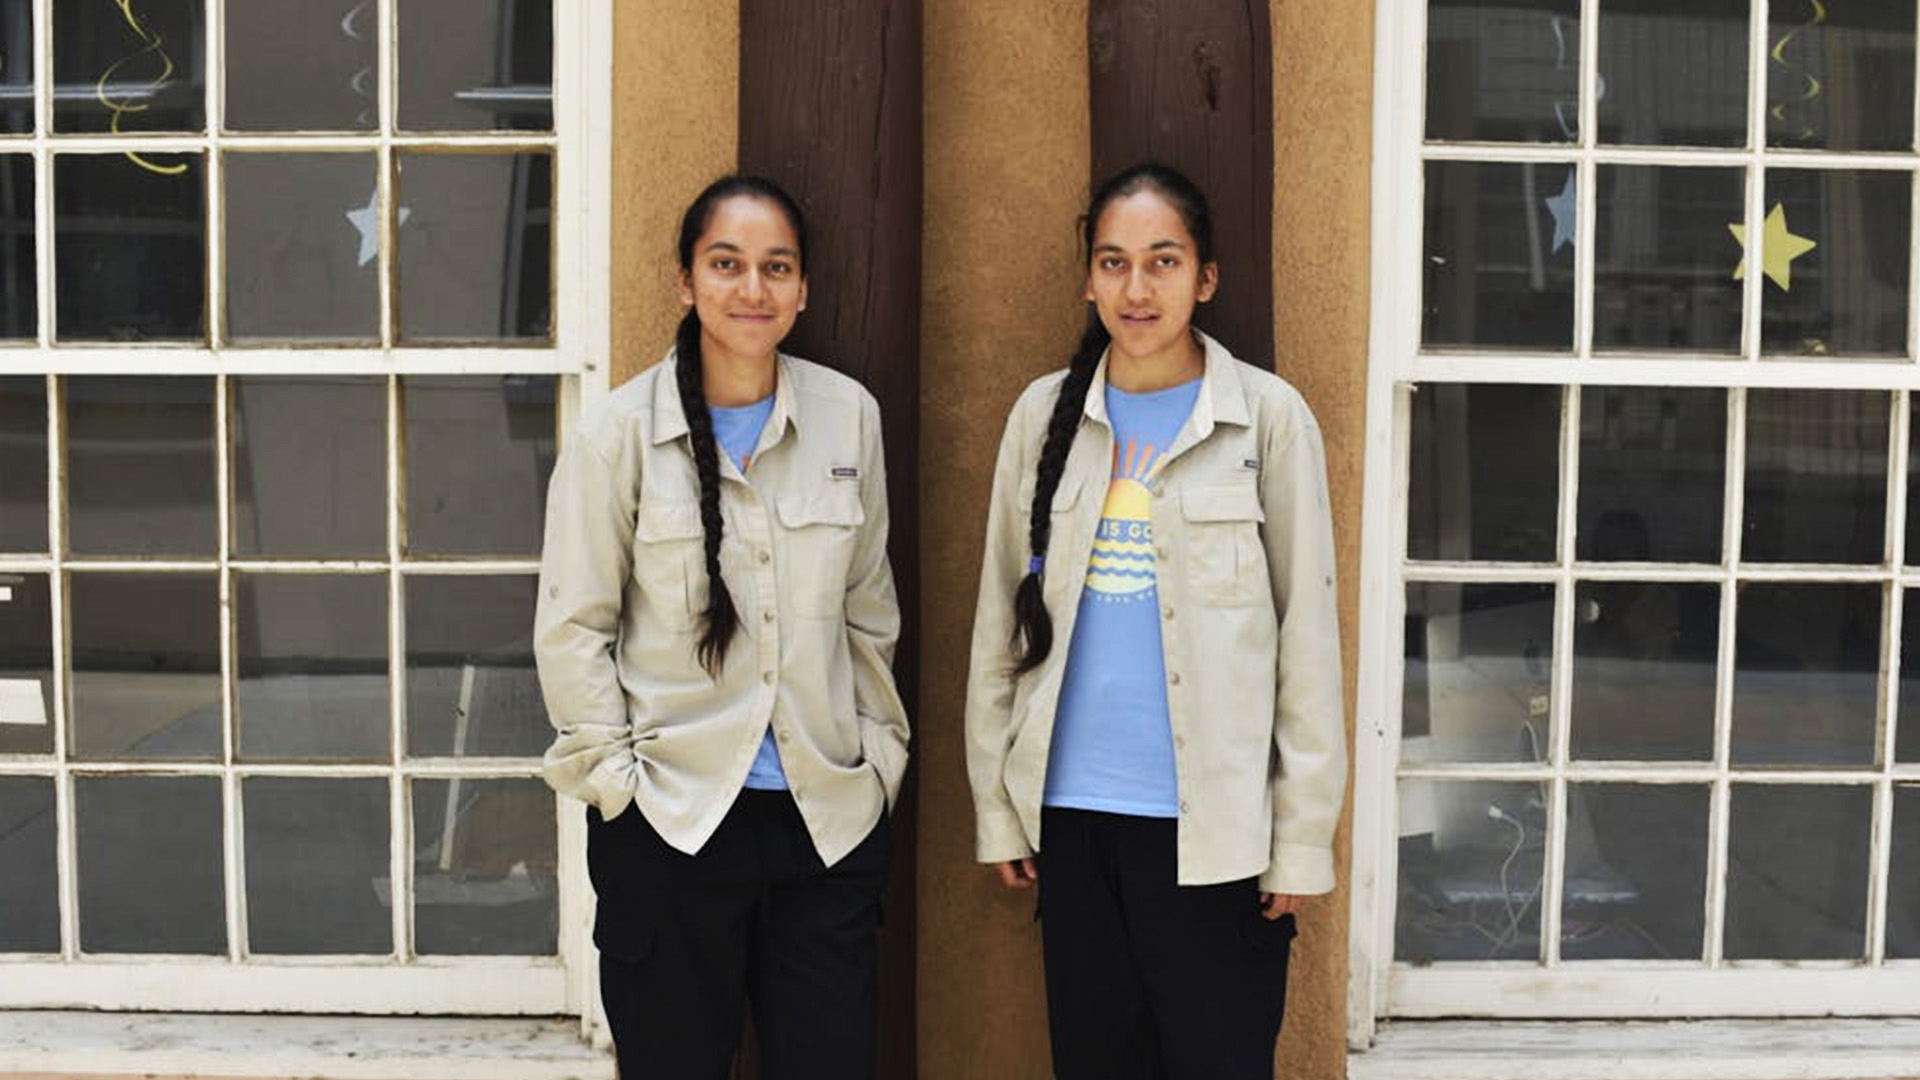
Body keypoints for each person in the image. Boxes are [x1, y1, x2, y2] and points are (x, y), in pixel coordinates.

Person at [964, 162, 1346, 1080]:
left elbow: (1309, 641)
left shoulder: (1267, 420)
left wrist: (1299, 837)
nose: (1138, 289)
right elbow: (997, 629)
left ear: (1204, 278)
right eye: (1115, 262)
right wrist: (999, 811)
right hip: (1075, 819)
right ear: (1090, 276)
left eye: (1164, 261)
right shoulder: (1039, 418)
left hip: (1214, 833)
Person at [535, 175, 907, 1079]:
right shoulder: (617, 434)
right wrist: (620, 786)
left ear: (804, 288)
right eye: (727, 264)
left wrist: (879, 758)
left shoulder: (848, 416)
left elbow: (868, 610)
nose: (753, 289)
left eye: (776, 267)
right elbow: (573, 625)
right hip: (670, 817)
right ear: (685, 281)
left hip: (821, 815)